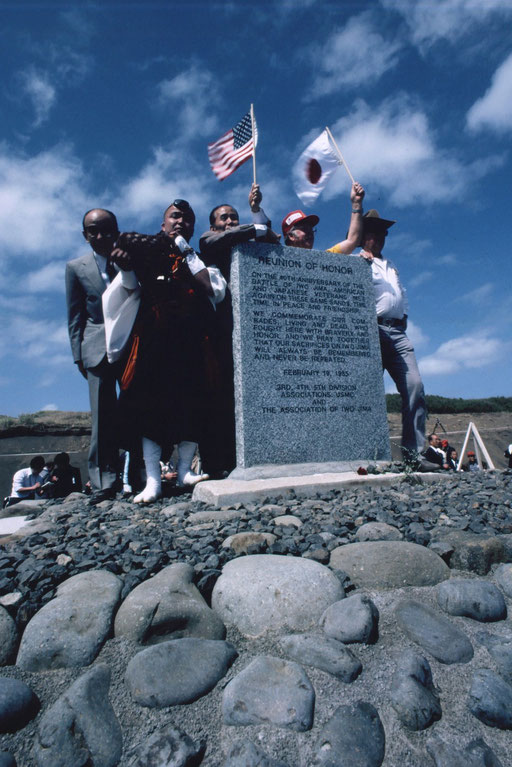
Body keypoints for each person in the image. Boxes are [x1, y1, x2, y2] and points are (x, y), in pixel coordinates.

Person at [111, 199, 226, 503]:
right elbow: (128, 272)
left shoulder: (198, 257)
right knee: (150, 409)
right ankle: (152, 481)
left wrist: (185, 250)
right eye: (175, 217)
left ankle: (186, 470)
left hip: (191, 342)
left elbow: (212, 289)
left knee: (193, 404)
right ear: (163, 223)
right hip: (154, 341)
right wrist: (124, 260)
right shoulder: (147, 249)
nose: (180, 222)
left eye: (187, 220)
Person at [327, 208, 426, 462]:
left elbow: (399, 294)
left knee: (414, 385)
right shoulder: (356, 259)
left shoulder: (391, 265)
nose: (378, 237)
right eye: (372, 232)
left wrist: (403, 316)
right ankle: (358, 453)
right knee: (365, 392)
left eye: (382, 233)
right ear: (361, 236)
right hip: (371, 331)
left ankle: (414, 453)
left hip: (398, 331)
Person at [199, 184, 281, 476]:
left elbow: (271, 239)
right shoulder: (210, 240)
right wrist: (254, 227)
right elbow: (221, 240)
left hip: (254, 332)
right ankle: (214, 463)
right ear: (214, 224)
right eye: (225, 218)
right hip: (220, 332)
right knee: (220, 396)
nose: (231, 221)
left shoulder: (247, 240)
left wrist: (257, 211)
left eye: (234, 216)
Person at [66, 209, 122, 503]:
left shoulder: (130, 260)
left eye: (106, 230)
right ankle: (104, 482)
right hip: (95, 348)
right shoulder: (75, 268)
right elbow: (74, 315)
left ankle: (138, 474)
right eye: (92, 231)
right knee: (102, 417)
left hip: (130, 345)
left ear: (116, 230)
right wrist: (78, 354)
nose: (99, 236)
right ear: (85, 234)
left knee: (136, 408)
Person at [282, 181, 365, 253]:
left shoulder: (323, 262)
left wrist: (356, 203)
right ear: (291, 236)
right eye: (305, 229)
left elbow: (352, 241)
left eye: (311, 230)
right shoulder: (276, 262)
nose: (310, 233)